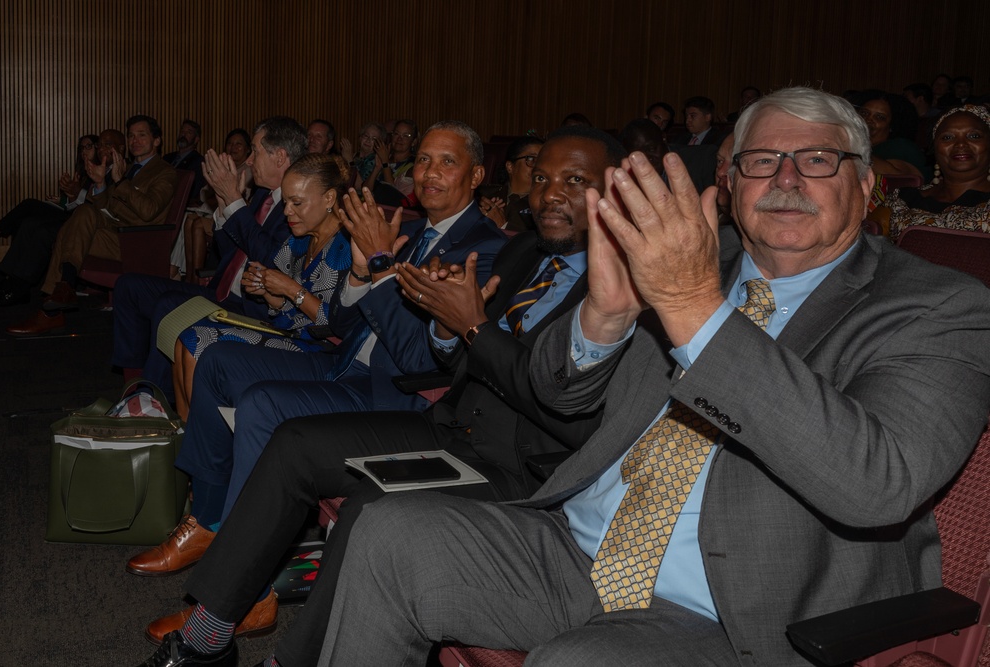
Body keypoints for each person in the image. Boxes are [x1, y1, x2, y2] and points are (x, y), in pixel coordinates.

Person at [316, 87, 990, 666]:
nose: (786, 178)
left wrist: (696, 311)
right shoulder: (692, 256)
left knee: (576, 662)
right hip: (577, 549)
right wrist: (603, 320)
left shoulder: (937, 304)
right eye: (761, 161)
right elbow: (556, 392)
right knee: (386, 530)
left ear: (866, 186)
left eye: (817, 160)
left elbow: (879, 481)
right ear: (730, 185)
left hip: (738, 609)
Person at [133, 125, 623, 667]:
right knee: (293, 442)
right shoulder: (525, 250)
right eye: (544, 177)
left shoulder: (616, 287)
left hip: (520, 467)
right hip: (450, 421)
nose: (552, 192)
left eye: (575, 180)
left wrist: (462, 322)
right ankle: (208, 634)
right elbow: (449, 353)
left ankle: (288, 661)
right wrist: (447, 322)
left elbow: (565, 406)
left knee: (371, 508)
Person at [123, 121, 507, 581]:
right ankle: (207, 517)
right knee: (216, 358)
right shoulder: (411, 229)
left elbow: (419, 357)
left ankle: (242, 576)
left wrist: (380, 267)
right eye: (423, 159)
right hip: (342, 360)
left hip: (394, 393)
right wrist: (362, 277)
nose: (429, 172)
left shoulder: (483, 248)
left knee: (260, 402)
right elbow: (345, 323)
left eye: (447, 162)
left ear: (478, 176)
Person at [110, 117, 304, 395]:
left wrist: (236, 202)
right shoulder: (264, 195)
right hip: (222, 290)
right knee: (129, 287)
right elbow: (229, 251)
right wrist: (225, 205)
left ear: (280, 157)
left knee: (169, 305)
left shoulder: (297, 202)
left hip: (253, 307)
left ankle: (151, 397)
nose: (249, 160)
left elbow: (274, 260)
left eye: (255, 151)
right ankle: (135, 380)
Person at [172, 153, 353, 421]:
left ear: (329, 199)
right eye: (286, 202)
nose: (287, 211)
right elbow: (287, 310)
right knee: (185, 339)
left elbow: (339, 325)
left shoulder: (347, 247)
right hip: (294, 336)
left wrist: (290, 289)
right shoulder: (299, 240)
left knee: (197, 341)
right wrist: (270, 294)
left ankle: (201, 440)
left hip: (325, 351)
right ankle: (187, 435)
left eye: (296, 202)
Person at [7, 116, 176, 335]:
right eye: (131, 135)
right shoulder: (132, 168)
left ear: (157, 141)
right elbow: (107, 207)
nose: (135, 140)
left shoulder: (165, 172)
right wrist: (99, 183)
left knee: (65, 233)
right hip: (114, 231)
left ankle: (53, 304)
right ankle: (61, 293)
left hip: (137, 240)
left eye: (142, 135)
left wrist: (120, 181)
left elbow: (149, 211)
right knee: (82, 213)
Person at [0, 132, 106, 306]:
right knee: (29, 220)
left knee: (37, 221)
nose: (84, 151)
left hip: (83, 223)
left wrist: (76, 193)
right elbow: (78, 204)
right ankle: (10, 281)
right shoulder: (83, 172)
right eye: (81, 148)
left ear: (99, 148)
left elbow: (96, 206)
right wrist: (65, 200)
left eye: (89, 146)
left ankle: (15, 282)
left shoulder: (104, 171)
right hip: (73, 214)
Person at [884, 105, 990, 241]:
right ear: (934, 148)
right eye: (947, 137)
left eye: (974, 136)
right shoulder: (902, 199)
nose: (961, 144)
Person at [177, 128, 253, 283]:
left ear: (247, 149)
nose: (233, 147)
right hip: (216, 212)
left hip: (233, 216)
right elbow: (204, 193)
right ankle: (189, 275)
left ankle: (197, 278)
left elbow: (233, 198)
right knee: (189, 219)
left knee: (197, 224)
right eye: (230, 143)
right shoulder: (224, 167)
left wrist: (218, 195)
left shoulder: (249, 170)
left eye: (239, 144)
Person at [477, 135, 544, 231]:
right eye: (531, 159)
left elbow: (533, 243)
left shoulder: (544, 204)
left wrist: (503, 226)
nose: (538, 166)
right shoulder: (483, 195)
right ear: (510, 167)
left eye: (542, 160)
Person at [857, 89, 928, 179]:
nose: (868, 119)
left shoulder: (901, 147)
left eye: (879, 117)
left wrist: (853, 152)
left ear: (893, 125)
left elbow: (900, 178)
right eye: (864, 113)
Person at [364, 119, 419, 206]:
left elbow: (391, 193)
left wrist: (385, 162)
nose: (399, 139)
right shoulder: (384, 156)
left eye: (406, 136)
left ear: (413, 142)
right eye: (396, 134)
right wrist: (377, 168)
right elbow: (365, 190)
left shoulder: (414, 165)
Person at [164, 119, 206, 203]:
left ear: (196, 139)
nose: (183, 134)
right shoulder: (167, 158)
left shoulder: (199, 162)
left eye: (189, 132)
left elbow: (192, 191)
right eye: (182, 131)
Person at [339, 121, 386, 189]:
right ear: (360, 137)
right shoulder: (354, 155)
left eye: (374, 139)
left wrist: (349, 161)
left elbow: (360, 186)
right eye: (366, 136)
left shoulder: (376, 160)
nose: (368, 140)